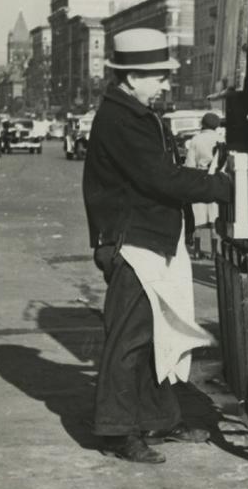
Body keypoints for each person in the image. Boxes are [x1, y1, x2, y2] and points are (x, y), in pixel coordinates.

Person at [82, 28, 232, 464]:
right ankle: (116, 431)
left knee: (155, 335)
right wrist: (224, 187)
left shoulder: (131, 111)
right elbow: (160, 178)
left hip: (148, 237)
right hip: (133, 242)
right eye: (158, 76)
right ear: (132, 77)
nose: (165, 84)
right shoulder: (122, 119)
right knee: (128, 340)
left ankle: (158, 419)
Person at [184, 112, 224, 250]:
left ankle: (198, 249)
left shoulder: (196, 140)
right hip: (217, 179)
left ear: (203, 124)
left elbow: (190, 164)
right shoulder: (221, 139)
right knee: (214, 216)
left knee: (199, 217)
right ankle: (214, 250)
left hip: (199, 178)